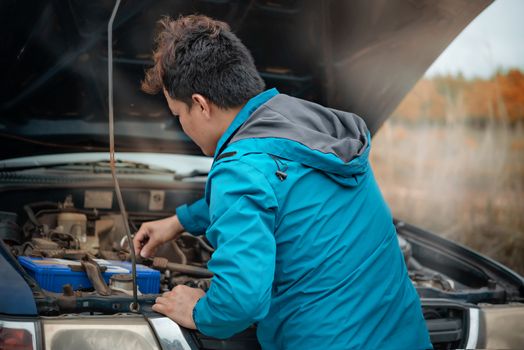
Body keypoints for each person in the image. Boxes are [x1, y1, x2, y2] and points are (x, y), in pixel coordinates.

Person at [134, 14, 432, 350]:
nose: (182, 127)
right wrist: (178, 221)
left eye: (179, 115)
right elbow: (273, 190)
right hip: (404, 336)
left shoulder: (239, 170)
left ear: (201, 105)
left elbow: (241, 301)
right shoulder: (305, 126)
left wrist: (201, 310)